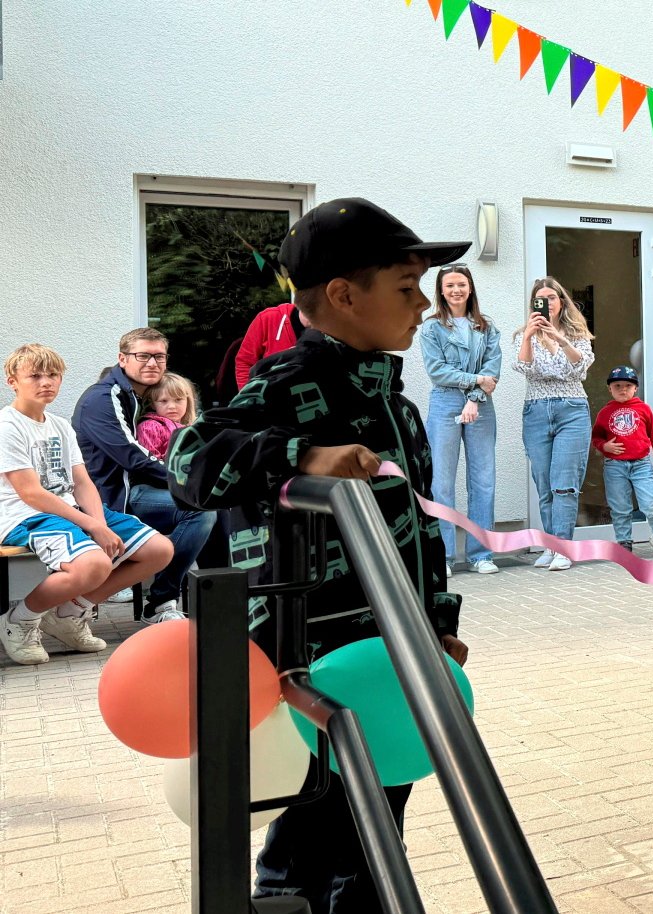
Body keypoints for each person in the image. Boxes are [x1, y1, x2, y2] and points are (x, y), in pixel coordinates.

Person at [169, 197, 469, 913]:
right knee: (315, 833)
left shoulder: (396, 405)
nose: (424, 305)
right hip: (320, 673)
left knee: (376, 830)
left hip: (393, 659)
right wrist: (301, 456)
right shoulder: (289, 383)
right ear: (341, 296)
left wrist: (437, 620)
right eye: (405, 288)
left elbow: (419, 532)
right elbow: (190, 461)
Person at [0, 344, 173, 664]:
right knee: (94, 564)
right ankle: (18, 622)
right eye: (34, 376)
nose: (46, 382)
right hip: (26, 515)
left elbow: (81, 482)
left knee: (158, 550)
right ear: (13, 381)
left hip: (68, 509)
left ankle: (67, 615)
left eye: (53, 375)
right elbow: (31, 494)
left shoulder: (59, 425)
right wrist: (93, 525)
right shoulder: (7, 426)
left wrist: (100, 521)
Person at [72, 328, 216, 623]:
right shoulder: (104, 398)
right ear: (122, 359)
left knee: (221, 505)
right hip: (112, 499)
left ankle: (224, 598)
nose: (152, 362)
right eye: (143, 356)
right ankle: (161, 602)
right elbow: (133, 457)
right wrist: (188, 482)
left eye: (159, 356)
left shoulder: (134, 396)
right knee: (199, 510)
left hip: (138, 490)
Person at [420, 264, 503, 575]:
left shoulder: (486, 327)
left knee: (483, 481)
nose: (456, 290)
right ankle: (443, 556)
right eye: (450, 285)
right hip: (444, 402)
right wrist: (476, 382)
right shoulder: (431, 328)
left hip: (480, 406)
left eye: (462, 284)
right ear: (441, 290)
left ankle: (481, 555)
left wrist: (475, 397)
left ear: (471, 289)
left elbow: (492, 374)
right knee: (441, 483)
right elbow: (437, 371)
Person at [513, 277, 594, 571]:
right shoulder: (527, 334)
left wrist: (558, 340)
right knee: (544, 484)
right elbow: (523, 367)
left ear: (562, 302)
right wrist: (529, 336)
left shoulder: (577, 333)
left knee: (565, 485)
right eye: (541, 299)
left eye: (552, 298)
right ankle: (550, 545)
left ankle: (563, 547)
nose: (547, 303)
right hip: (535, 411)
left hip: (571, 410)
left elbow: (578, 368)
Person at [594, 366, 653, 557]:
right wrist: (604, 446)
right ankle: (624, 543)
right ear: (610, 389)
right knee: (620, 507)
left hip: (641, 464)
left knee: (652, 503)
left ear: (635, 388)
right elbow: (596, 437)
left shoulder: (643, 409)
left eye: (628, 385)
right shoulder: (605, 413)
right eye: (617, 385)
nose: (623, 389)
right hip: (615, 466)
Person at [233, 301, 305, 389]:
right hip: (269, 397)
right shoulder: (269, 318)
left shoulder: (324, 327)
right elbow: (244, 362)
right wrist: (248, 396)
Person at [136, 372, 198, 461]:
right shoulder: (150, 427)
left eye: (178, 399)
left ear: (187, 401)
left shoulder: (192, 427)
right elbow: (150, 463)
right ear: (153, 404)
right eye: (164, 401)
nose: (172, 406)